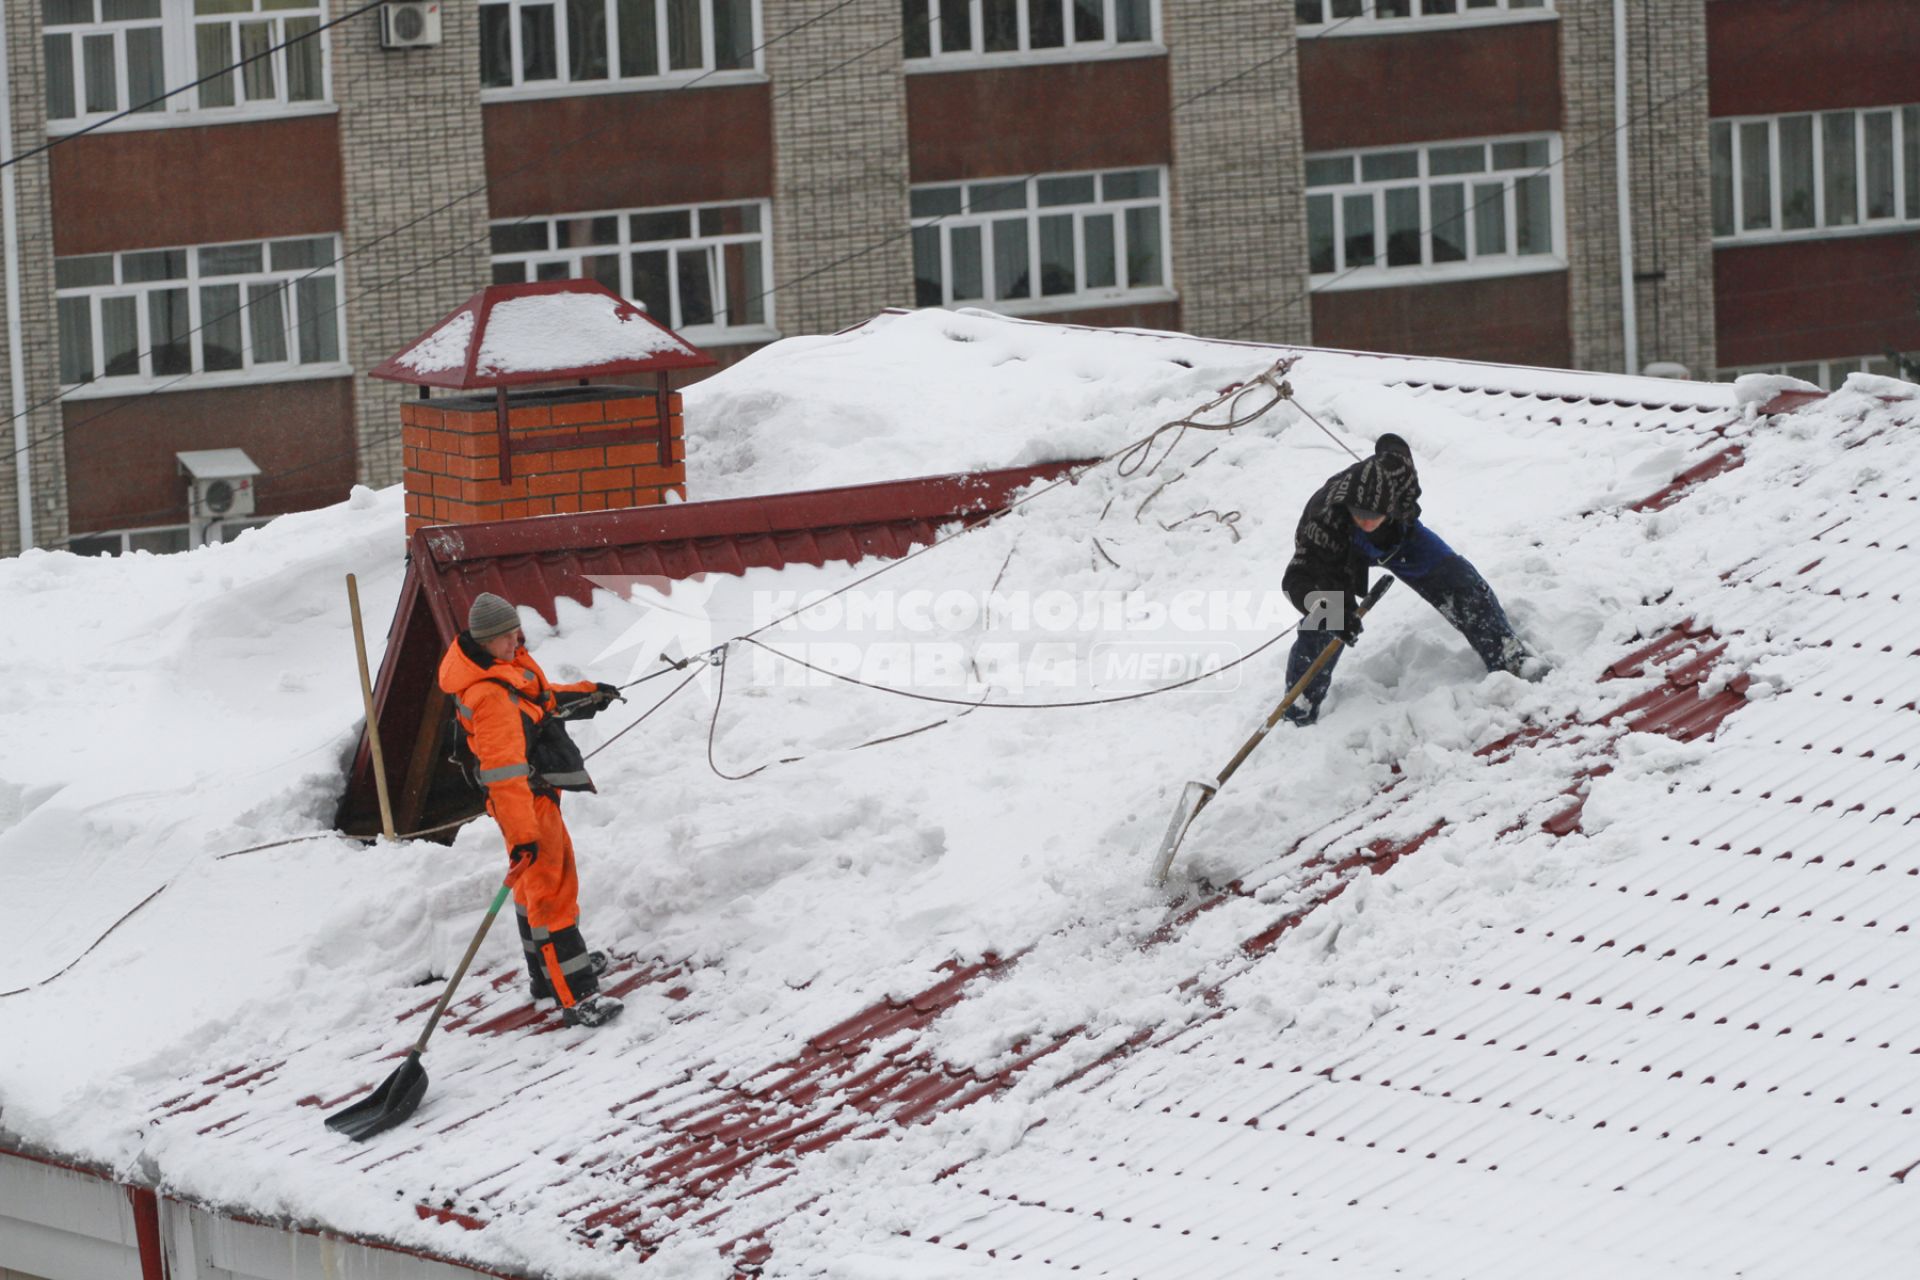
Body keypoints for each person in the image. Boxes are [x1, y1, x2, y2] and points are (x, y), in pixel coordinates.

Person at [438, 592, 626, 1027]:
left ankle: (548, 977)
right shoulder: (488, 696)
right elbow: (504, 776)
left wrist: (590, 696)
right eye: (505, 637)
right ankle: (576, 997)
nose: (514, 641)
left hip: (536, 796)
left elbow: (539, 702)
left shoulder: (507, 667)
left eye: (515, 632)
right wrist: (523, 835)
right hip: (525, 802)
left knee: (533, 891)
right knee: (551, 893)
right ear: (484, 641)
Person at [1280, 433, 1539, 726]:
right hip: (1342, 553)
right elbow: (1295, 579)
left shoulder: (1398, 473)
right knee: (1325, 622)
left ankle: (1508, 657)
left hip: (1401, 539)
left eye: (1371, 515)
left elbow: (1391, 442)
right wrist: (1325, 609)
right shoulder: (1324, 523)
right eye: (1358, 514)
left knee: (1460, 582)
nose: (1364, 521)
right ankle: (1299, 706)